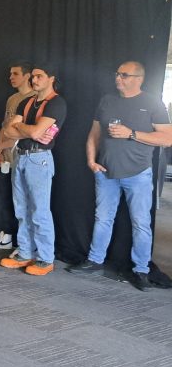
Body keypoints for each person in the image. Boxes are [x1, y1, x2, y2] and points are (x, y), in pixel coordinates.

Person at [68, 61, 172, 290]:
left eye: (124, 75)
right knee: (102, 218)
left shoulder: (151, 102)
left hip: (138, 174)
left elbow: (167, 138)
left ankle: (141, 270)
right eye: (117, 74)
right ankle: (95, 261)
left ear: (138, 78)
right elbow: (94, 133)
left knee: (140, 223)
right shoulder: (107, 100)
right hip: (105, 172)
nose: (118, 78)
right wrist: (91, 160)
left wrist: (131, 134)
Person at [0, 62, 66, 276]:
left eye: (39, 76)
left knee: (39, 211)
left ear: (51, 78)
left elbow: (38, 133)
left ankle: (46, 258)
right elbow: (9, 131)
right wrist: (27, 130)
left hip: (40, 159)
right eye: (33, 77)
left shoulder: (56, 103)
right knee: (21, 209)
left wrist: (22, 128)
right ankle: (25, 253)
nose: (34, 80)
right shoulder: (26, 102)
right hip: (20, 156)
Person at [0, 62, 34, 251]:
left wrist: (3, 146)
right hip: (6, 156)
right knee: (5, 197)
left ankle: (24, 244)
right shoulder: (12, 98)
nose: (11, 77)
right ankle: (7, 236)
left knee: (23, 202)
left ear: (27, 75)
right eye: (10, 73)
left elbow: (23, 133)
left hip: (23, 156)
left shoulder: (33, 99)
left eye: (15, 73)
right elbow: (4, 126)